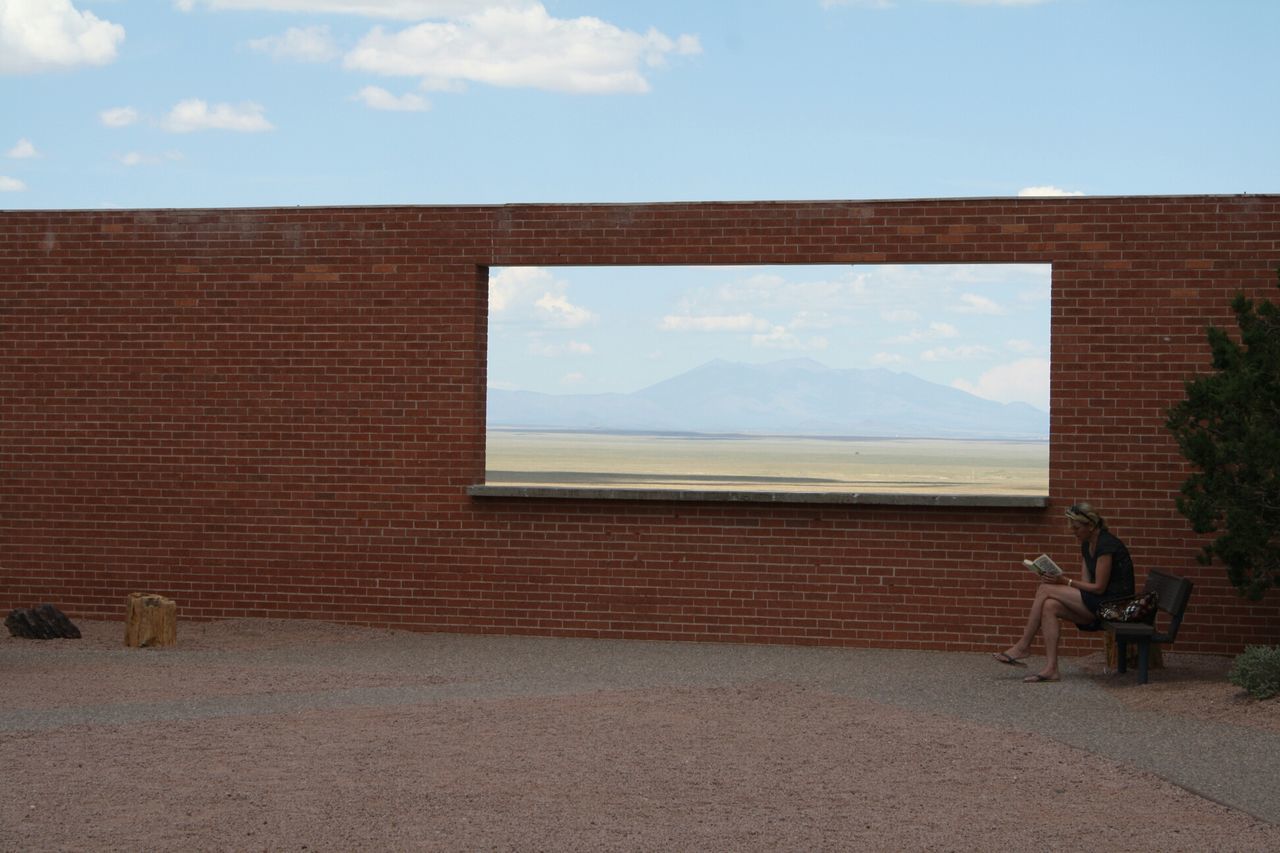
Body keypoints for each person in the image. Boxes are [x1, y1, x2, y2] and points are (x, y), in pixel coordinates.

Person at [992, 502, 1135, 683]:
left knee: (1044, 589)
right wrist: (1058, 580)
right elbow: (1085, 584)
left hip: (1114, 607)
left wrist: (1063, 581)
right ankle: (1052, 669)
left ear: (1090, 526)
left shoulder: (1106, 545)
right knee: (1050, 605)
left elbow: (1099, 587)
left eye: (1076, 528)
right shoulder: (1087, 544)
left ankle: (1023, 646)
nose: (1073, 531)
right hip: (1099, 602)